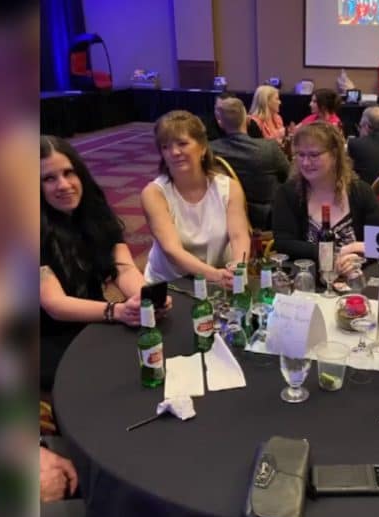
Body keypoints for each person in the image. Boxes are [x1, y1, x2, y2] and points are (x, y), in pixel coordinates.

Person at [40, 136, 171, 392]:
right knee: (108, 378)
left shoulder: (93, 213)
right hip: (47, 336)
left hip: (93, 317)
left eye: (68, 173)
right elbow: (54, 304)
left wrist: (145, 299)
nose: (64, 185)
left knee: (148, 353)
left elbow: (123, 268)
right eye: (49, 178)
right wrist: (116, 312)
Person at [141, 110, 250, 285]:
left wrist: (239, 265)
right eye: (165, 147)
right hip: (171, 283)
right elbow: (172, 249)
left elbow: (239, 236)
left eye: (182, 144)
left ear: (203, 147)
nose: (174, 152)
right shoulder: (153, 193)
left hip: (221, 275)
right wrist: (213, 275)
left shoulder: (229, 187)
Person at [272, 122, 379, 277]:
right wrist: (337, 253)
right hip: (308, 281)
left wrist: (355, 256)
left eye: (314, 155)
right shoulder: (287, 193)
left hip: (357, 279)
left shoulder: (361, 191)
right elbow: (284, 243)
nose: (305, 162)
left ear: (334, 155)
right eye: (300, 155)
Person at [210, 97, 289, 231]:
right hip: (267, 222)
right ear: (247, 120)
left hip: (226, 219)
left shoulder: (211, 150)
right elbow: (290, 176)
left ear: (221, 124)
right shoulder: (269, 148)